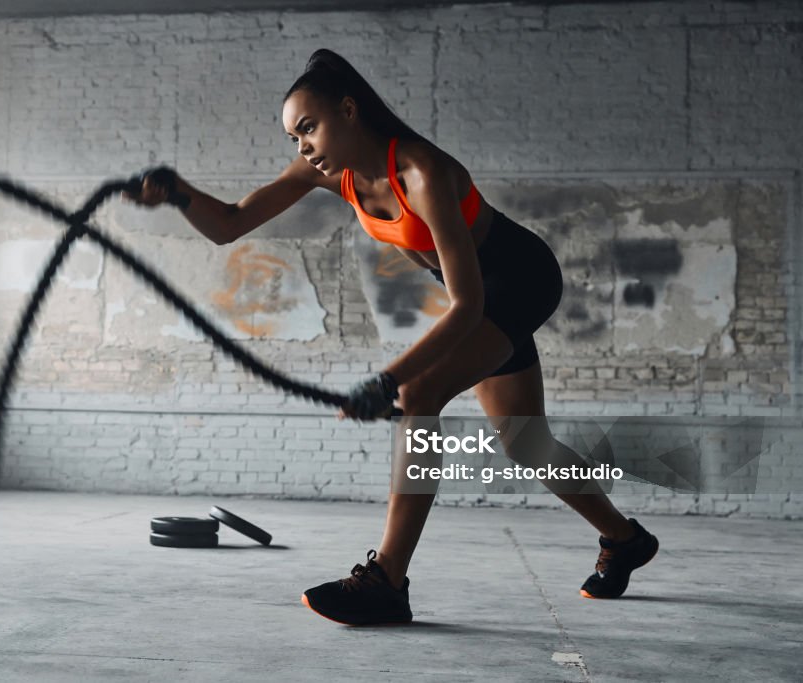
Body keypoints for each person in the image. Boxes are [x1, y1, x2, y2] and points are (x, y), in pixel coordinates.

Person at [123, 48, 659, 625]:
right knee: (526, 442)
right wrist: (178, 194)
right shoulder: (328, 172)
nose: (301, 146)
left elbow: (466, 305)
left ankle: (387, 580)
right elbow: (228, 224)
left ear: (349, 110)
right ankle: (625, 540)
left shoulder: (422, 174)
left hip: (520, 278)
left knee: (421, 393)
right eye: (292, 136)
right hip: (482, 293)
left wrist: (389, 380)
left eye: (309, 127)